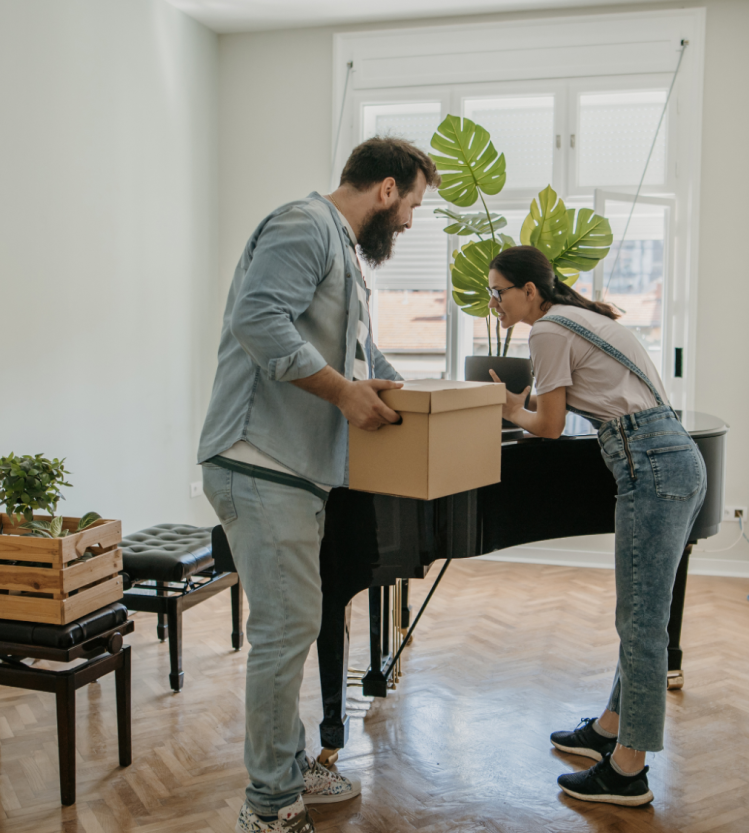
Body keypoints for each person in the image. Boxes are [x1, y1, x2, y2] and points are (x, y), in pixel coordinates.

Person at [196, 137, 439, 833]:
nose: (410, 223)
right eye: (413, 206)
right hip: (257, 457)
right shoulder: (304, 226)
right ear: (387, 189)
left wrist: (412, 390)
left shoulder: (339, 248)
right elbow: (257, 319)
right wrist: (343, 394)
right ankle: (269, 804)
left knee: (293, 622)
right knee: (285, 629)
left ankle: (286, 761)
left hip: (291, 466)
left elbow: (354, 351)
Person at [485, 245, 706, 808]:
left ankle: (629, 769)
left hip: (650, 465)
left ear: (529, 291)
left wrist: (511, 409)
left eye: (499, 292)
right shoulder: (584, 318)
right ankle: (610, 727)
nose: (494, 304)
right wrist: (524, 404)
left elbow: (550, 425)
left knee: (642, 621)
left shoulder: (547, 331)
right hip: (670, 456)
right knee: (639, 614)